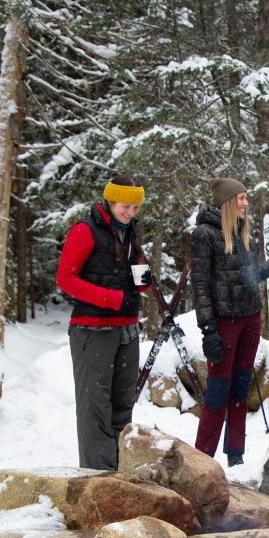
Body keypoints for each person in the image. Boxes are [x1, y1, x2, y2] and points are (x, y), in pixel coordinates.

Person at [190, 177, 269, 466]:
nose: (245, 203)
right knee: (217, 390)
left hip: (250, 318)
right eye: (240, 198)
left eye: (245, 197)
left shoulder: (242, 231)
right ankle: (202, 459)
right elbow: (200, 286)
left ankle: (235, 455)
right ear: (227, 201)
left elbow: (255, 274)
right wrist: (208, 330)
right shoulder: (205, 234)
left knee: (240, 387)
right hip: (224, 322)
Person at [57, 174, 152, 470]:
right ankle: (97, 480)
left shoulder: (130, 233)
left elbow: (133, 278)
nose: (130, 213)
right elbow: (66, 279)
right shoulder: (85, 231)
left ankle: (119, 473)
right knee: (94, 408)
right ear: (110, 200)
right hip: (92, 330)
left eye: (135, 208)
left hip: (127, 329)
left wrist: (143, 281)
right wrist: (111, 298)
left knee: (123, 406)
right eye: (125, 206)